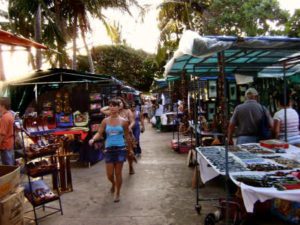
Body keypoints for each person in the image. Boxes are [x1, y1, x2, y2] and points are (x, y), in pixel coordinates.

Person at [89, 99, 133, 202]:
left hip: (120, 149)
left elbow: (127, 137)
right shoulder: (105, 121)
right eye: (110, 106)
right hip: (109, 149)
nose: (112, 108)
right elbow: (99, 133)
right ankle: (113, 184)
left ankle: (117, 192)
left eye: (114, 106)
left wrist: (130, 150)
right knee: (109, 174)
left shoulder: (124, 121)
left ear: (119, 107)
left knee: (118, 173)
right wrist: (93, 139)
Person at [101, 97, 136, 174]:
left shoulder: (127, 111)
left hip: (126, 134)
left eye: (120, 102)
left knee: (129, 152)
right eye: (118, 103)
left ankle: (130, 166)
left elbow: (133, 121)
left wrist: (129, 127)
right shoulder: (112, 112)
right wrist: (111, 105)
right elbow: (102, 110)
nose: (120, 104)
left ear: (123, 103)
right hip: (114, 137)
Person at [0, 97, 15, 165]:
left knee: (8, 168)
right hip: (9, 144)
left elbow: (2, 134)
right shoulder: (9, 114)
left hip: (5, 145)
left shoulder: (4, 117)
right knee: (10, 165)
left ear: (2, 105)